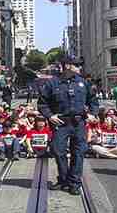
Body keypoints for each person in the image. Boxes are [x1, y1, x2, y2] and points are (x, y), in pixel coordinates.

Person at [38, 56, 99, 195]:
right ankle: (64, 179)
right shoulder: (52, 83)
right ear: (67, 66)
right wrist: (50, 116)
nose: (79, 68)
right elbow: (42, 103)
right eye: (76, 65)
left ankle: (74, 183)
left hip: (79, 123)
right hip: (61, 123)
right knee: (58, 151)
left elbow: (93, 101)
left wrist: (93, 114)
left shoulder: (84, 83)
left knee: (78, 152)